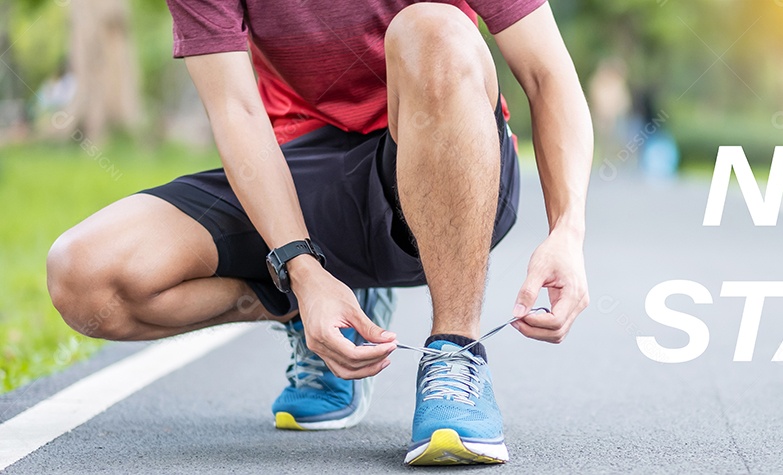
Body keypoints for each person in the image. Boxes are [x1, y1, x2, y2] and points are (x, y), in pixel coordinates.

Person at [44, 0, 591, 466]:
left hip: (446, 158)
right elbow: (235, 110)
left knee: (435, 29)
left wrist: (567, 229)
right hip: (299, 174)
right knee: (86, 276)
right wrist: (302, 272)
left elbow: (547, 74)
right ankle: (320, 307)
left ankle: (455, 354)